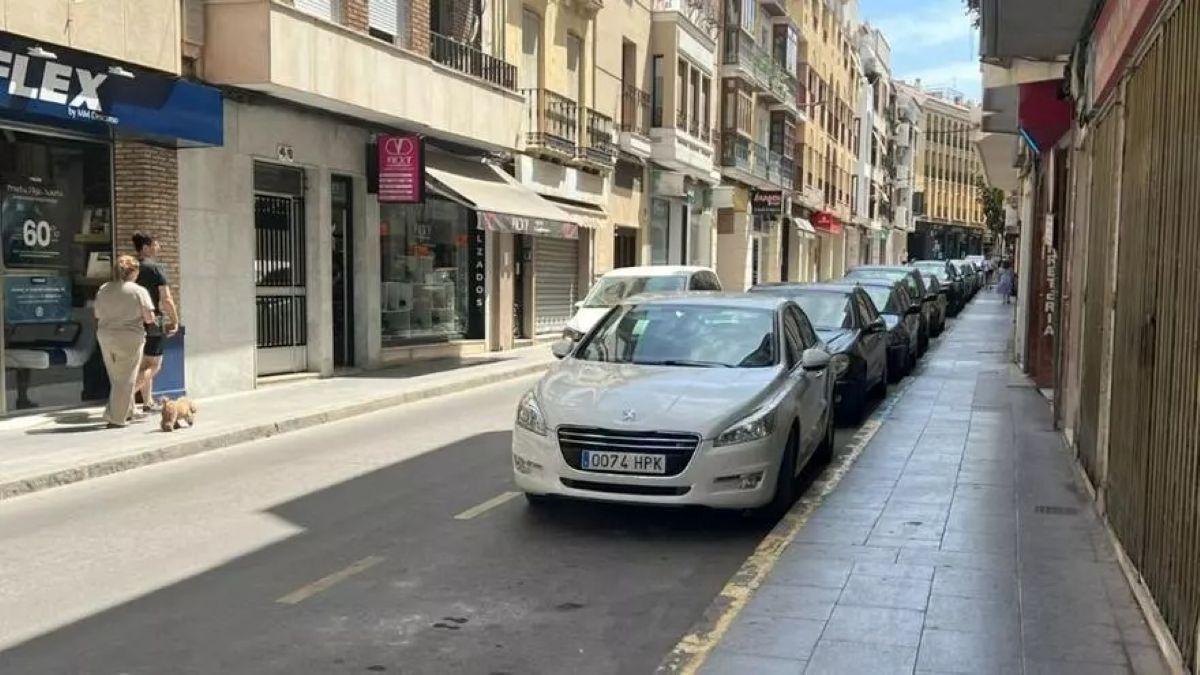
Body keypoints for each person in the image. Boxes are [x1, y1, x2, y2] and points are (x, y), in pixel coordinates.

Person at [94, 256, 156, 427]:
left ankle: (127, 411)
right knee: (127, 377)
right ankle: (116, 418)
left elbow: (97, 314)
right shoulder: (138, 291)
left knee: (115, 375)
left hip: (105, 335)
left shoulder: (104, 288)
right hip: (130, 336)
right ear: (134, 271)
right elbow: (149, 318)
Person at [132, 233, 180, 413]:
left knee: (144, 364)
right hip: (152, 322)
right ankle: (126, 395)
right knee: (155, 365)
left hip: (132, 324)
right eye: (156, 244)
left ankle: (147, 402)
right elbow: (166, 299)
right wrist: (175, 321)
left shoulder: (130, 269)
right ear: (145, 247)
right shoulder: (155, 269)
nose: (158, 247)